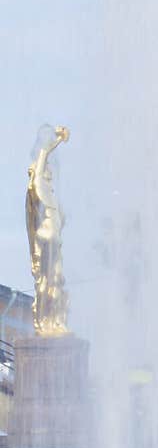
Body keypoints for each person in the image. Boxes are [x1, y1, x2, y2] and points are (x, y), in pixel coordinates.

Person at [25, 125, 70, 336]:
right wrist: (58, 140)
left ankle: (56, 321)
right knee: (45, 282)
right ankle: (42, 322)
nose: (48, 174)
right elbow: (43, 154)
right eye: (44, 172)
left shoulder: (52, 198)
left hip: (54, 239)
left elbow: (63, 219)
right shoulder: (39, 188)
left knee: (57, 280)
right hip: (46, 237)